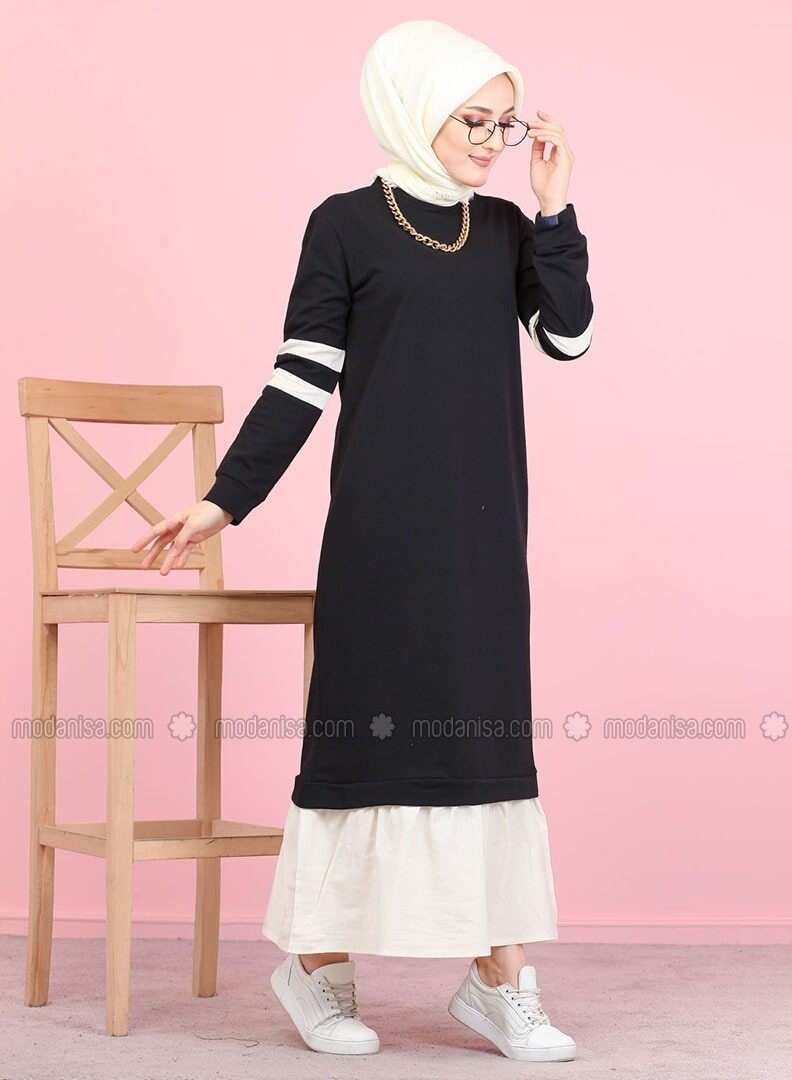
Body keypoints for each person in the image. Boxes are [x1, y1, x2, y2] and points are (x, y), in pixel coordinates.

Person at [132, 19, 593, 1064]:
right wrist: (222, 502)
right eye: (473, 120)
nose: (493, 140)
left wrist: (554, 209)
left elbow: (568, 337)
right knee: (363, 742)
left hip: (486, 535)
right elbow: (300, 379)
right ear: (410, 109)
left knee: (484, 743)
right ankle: (315, 964)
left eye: (505, 122)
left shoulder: (506, 231)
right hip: (382, 532)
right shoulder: (345, 224)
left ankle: (499, 980)